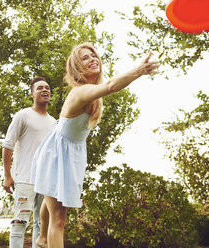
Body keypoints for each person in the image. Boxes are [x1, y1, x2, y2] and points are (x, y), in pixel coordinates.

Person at [30, 42, 159, 248]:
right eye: (85, 58)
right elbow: (110, 87)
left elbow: (105, 86)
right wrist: (139, 71)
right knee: (60, 219)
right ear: (77, 68)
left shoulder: (94, 95)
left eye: (93, 55)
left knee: (52, 193)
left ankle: (43, 237)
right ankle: (45, 239)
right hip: (56, 152)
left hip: (72, 152)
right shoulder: (79, 92)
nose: (92, 59)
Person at [2, 76, 57, 248]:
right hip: (25, 178)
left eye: (47, 88)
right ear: (32, 94)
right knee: (20, 222)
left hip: (46, 182)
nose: (45, 90)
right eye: (40, 88)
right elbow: (7, 145)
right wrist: (7, 175)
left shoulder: (54, 122)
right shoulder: (23, 115)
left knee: (42, 225)